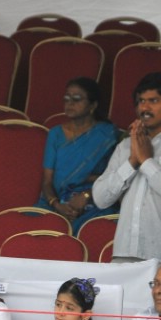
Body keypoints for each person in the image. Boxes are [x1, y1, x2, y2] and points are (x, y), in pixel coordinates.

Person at [91, 72, 161, 262]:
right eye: (141, 101)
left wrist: (147, 162)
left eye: (153, 101)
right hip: (123, 255)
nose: (144, 108)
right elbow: (100, 198)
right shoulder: (126, 146)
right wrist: (132, 162)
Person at [36, 77, 118, 234]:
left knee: (102, 227)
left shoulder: (106, 135)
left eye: (77, 99)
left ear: (93, 105)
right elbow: (47, 181)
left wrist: (87, 194)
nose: (69, 103)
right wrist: (56, 204)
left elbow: (114, 178)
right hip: (56, 201)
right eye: (66, 98)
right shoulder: (55, 134)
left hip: (94, 201)